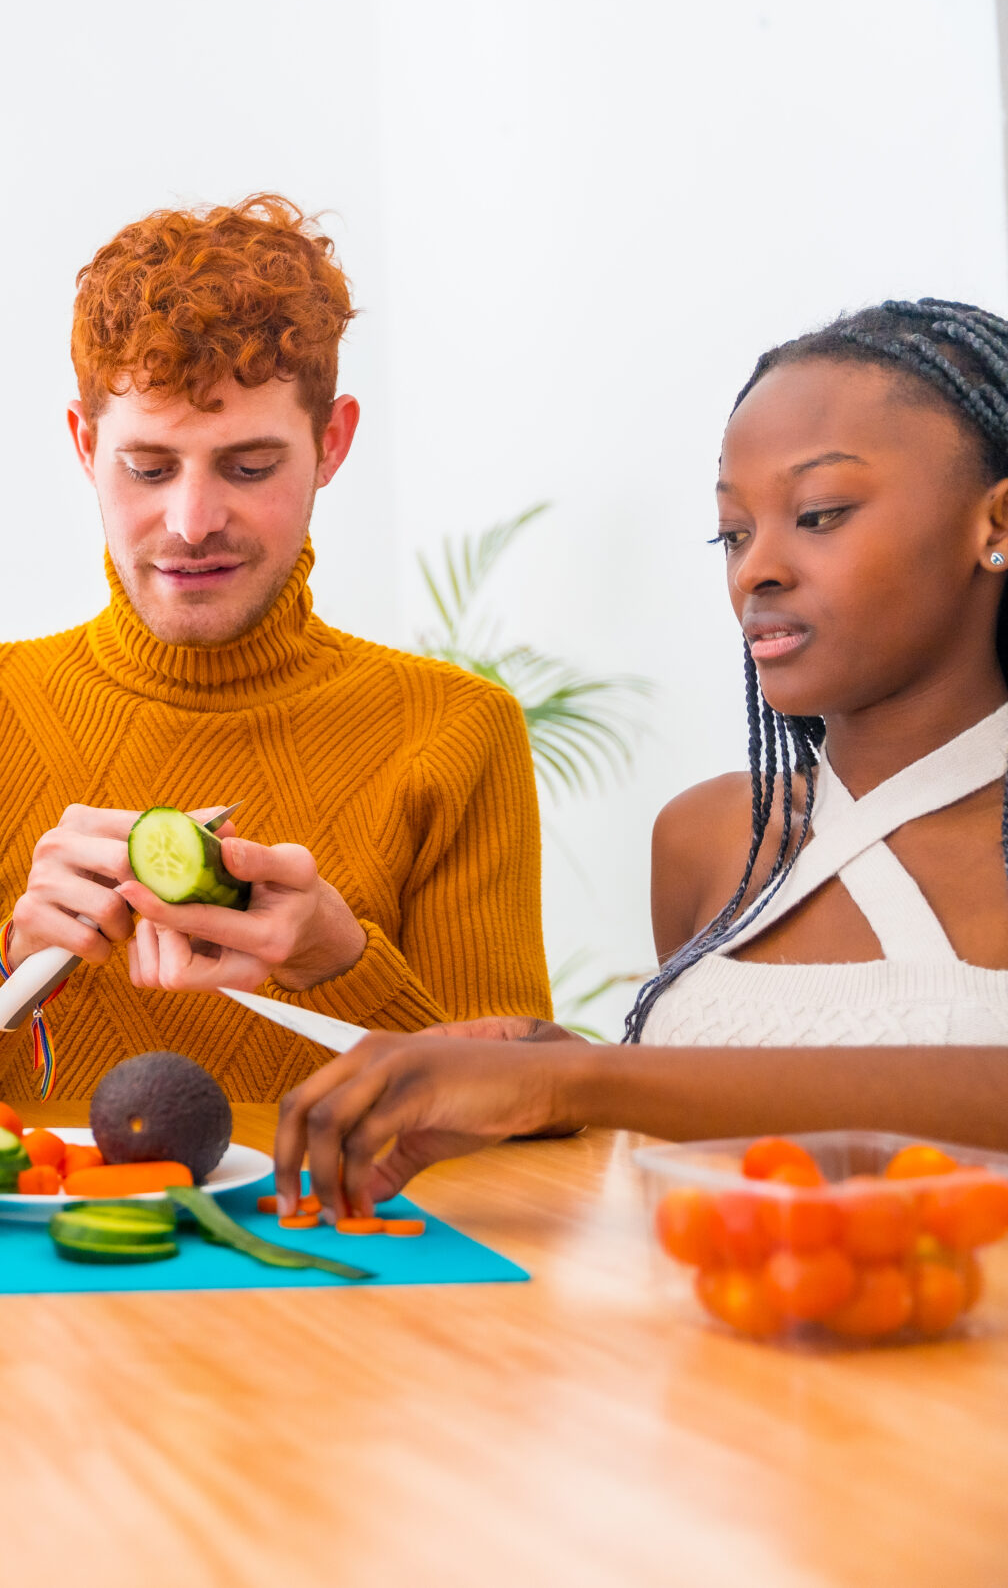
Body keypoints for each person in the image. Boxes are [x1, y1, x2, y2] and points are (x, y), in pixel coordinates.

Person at [0, 194, 551, 1106]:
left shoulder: (459, 731)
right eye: (148, 469)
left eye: (249, 466)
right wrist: (10, 957)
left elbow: (515, 1121)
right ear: (85, 444)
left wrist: (341, 961)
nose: (191, 523)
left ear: (332, 443)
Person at [274, 298, 1008, 1216]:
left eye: (819, 514)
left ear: (997, 524)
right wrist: (552, 1082)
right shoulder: (712, 840)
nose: (756, 570)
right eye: (733, 533)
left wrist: (592, 1083)